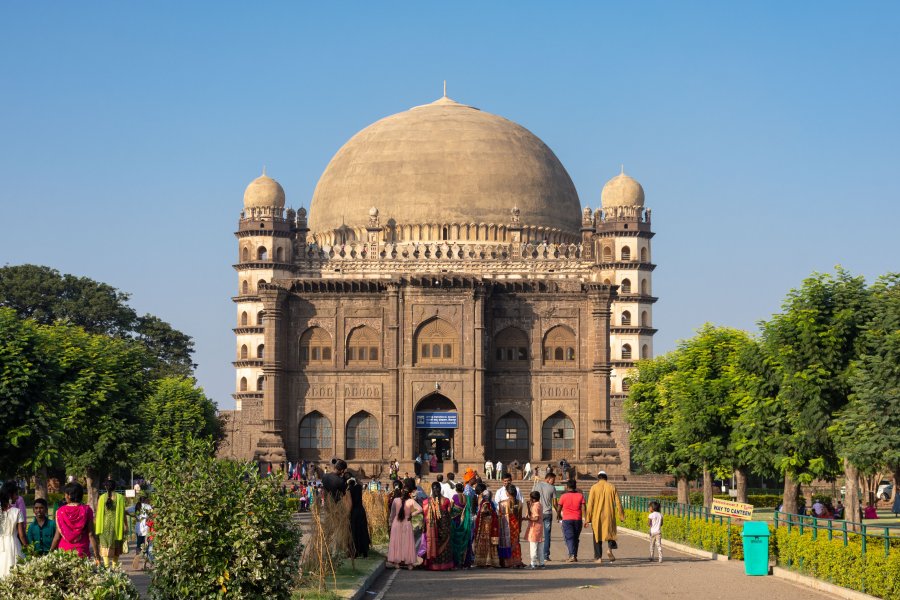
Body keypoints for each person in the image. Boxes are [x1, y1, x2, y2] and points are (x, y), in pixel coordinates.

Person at [51, 482, 99, 559]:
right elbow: (91, 535)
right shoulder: (87, 510)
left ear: (69, 495)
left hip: (64, 553)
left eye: (65, 494)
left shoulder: (60, 511)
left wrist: (50, 552)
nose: (65, 496)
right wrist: (97, 555)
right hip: (82, 552)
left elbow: (57, 537)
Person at [585, 471, 625, 564]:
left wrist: (587, 519)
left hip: (597, 516)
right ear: (606, 478)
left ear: (598, 478)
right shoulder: (612, 487)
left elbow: (590, 504)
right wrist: (621, 516)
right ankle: (610, 549)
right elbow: (618, 502)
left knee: (597, 536)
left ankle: (598, 557)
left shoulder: (594, 487)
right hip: (609, 515)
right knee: (610, 533)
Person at [387, 481, 421, 569]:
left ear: (402, 491)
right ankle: (409, 564)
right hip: (407, 522)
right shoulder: (411, 501)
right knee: (407, 542)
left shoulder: (395, 500)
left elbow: (392, 513)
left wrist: (390, 523)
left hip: (397, 522)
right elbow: (420, 509)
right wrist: (412, 515)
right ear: (410, 493)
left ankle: (397, 563)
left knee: (397, 542)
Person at [494, 472, 523, 567]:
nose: (507, 482)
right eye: (505, 481)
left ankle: (509, 562)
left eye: (508, 481)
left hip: (509, 522)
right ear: (503, 481)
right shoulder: (499, 491)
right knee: (512, 542)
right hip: (508, 522)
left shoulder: (516, 490)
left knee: (509, 542)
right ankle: (514, 561)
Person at [423, 482, 454, 570]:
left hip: (434, 527)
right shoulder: (446, 500)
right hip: (444, 526)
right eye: (435, 488)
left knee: (434, 544)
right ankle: (445, 565)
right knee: (445, 545)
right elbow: (449, 513)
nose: (436, 490)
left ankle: (434, 565)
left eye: (435, 488)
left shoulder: (427, 501)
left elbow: (425, 516)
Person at [96, 479, 126, 566]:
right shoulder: (120, 497)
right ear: (115, 487)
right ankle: (114, 566)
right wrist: (126, 525)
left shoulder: (102, 498)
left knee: (104, 545)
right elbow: (123, 513)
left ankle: (106, 566)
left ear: (105, 487)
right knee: (116, 545)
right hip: (116, 526)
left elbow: (98, 513)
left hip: (104, 526)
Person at [557, 478, 586, 562]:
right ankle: (574, 555)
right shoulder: (580, 496)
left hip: (567, 520)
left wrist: (558, 515)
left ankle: (572, 555)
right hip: (578, 519)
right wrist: (585, 519)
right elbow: (584, 508)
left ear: (567, 486)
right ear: (575, 486)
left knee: (569, 538)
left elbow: (559, 508)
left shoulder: (563, 496)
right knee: (576, 538)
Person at [0, 487, 26, 578]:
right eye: (16, 494)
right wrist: (28, 547)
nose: (17, 497)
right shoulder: (17, 512)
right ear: (10, 496)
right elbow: (22, 535)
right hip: (13, 543)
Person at [532, 471, 558, 562]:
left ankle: (535, 555)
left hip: (537, 513)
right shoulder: (552, 488)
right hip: (547, 513)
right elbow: (555, 503)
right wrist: (558, 513)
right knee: (547, 535)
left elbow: (532, 497)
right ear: (548, 479)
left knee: (536, 534)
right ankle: (545, 555)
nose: (554, 482)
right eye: (553, 480)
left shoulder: (537, 485)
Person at [472, 483, 499, 567]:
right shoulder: (485, 502)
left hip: (485, 525)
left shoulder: (485, 503)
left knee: (485, 542)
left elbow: (484, 512)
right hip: (485, 524)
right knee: (485, 542)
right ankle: (485, 561)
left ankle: (486, 561)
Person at [450, 483, 474, 568]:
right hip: (464, 522)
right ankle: (465, 562)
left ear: (456, 489)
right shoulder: (467, 498)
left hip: (455, 521)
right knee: (464, 540)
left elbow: (450, 508)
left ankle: (456, 562)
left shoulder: (454, 497)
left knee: (455, 540)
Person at [347, 478, 371, 559]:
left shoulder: (349, 490)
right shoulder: (359, 488)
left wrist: (347, 514)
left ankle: (355, 552)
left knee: (354, 531)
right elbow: (360, 482)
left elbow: (350, 504)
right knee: (363, 530)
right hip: (361, 511)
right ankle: (365, 552)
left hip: (354, 512)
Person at [125, 496, 152, 562]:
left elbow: (125, 511)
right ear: (145, 500)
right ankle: (146, 558)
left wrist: (133, 516)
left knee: (139, 543)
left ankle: (137, 557)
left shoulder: (135, 506)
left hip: (138, 528)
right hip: (147, 527)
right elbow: (152, 514)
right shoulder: (148, 506)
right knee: (147, 543)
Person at [524, 490, 545, 569]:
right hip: (538, 528)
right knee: (539, 546)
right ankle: (541, 563)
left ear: (532, 498)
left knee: (533, 546)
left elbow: (535, 518)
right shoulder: (539, 504)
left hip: (534, 528)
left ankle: (533, 563)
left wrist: (528, 518)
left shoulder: (535, 506)